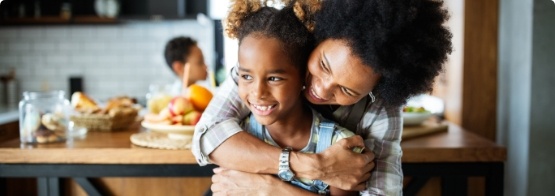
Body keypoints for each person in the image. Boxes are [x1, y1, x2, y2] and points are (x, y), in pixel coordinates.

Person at [193, 0, 452, 195]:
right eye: (324, 65)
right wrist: (316, 167)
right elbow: (207, 136)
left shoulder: (381, 110)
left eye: (347, 90)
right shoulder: (274, 61)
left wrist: (269, 188)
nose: (322, 89)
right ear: (319, 36)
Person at [221, 1, 364, 195]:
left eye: (273, 78)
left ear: (303, 77)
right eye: (246, 76)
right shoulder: (238, 138)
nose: (258, 92)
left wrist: (273, 190)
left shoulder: (339, 147)